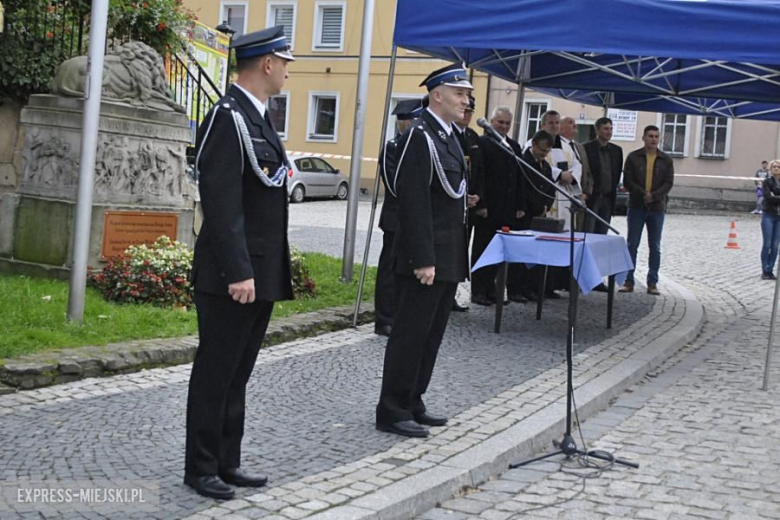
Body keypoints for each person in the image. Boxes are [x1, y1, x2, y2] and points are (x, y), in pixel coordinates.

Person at [184, 26, 295, 500]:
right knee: (216, 371)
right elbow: (222, 203)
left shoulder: (260, 119)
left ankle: (228, 460)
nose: (288, 70)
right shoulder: (227, 118)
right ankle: (201, 466)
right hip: (233, 273)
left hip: (259, 267)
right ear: (267, 63)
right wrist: (239, 271)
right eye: (284, 61)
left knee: (238, 372)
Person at [376, 63, 472, 438]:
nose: (466, 100)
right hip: (426, 257)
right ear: (437, 95)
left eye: (467, 94)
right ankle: (392, 408)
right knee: (410, 335)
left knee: (431, 335)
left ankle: (414, 399)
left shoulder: (449, 136)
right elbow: (412, 201)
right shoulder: (420, 135)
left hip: (447, 252)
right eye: (459, 92)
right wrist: (423, 258)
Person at [374, 99, 424, 337]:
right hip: (396, 219)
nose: (417, 124)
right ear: (403, 122)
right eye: (414, 120)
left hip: (414, 220)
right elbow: (394, 186)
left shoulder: (418, 147)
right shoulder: (392, 147)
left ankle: (402, 314)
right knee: (389, 271)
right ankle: (384, 318)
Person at [471, 107, 526, 305]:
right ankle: (478, 290)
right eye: (500, 122)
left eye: (507, 123)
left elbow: (520, 177)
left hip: (507, 207)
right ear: (492, 122)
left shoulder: (513, 146)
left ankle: (492, 289)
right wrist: (481, 204)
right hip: (489, 207)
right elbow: (479, 176)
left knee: (500, 251)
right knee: (483, 249)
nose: (503, 126)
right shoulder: (482, 143)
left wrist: (520, 204)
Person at [619, 125, 674, 295]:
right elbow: (627, 179)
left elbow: (668, 182)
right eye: (650, 136)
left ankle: (652, 282)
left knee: (655, 246)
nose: (653, 139)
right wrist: (643, 194)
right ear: (643, 138)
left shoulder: (666, 159)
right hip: (637, 205)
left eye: (656, 136)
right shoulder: (634, 157)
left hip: (657, 207)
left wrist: (655, 196)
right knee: (632, 245)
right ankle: (629, 281)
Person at [452, 94, 483, 312]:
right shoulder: (449, 134)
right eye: (465, 110)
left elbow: (480, 172)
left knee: (463, 250)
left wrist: (477, 196)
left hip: (470, 205)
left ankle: (452, 293)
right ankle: (446, 294)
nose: (467, 114)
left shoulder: (473, 137)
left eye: (471, 111)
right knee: (451, 250)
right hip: (454, 204)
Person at [583, 117, 623, 235]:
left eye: (611, 129)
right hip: (592, 197)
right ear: (597, 130)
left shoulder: (617, 150)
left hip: (608, 197)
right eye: (606, 129)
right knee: (588, 231)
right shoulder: (586, 148)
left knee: (602, 233)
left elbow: (617, 172)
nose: (609, 132)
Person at [559, 116, 592, 231]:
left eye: (575, 122)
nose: (575, 125)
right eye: (570, 122)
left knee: (578, 230)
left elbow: (586, 171)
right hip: (564, 195)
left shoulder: (579, 147)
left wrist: (586, 193)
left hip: (580, 198)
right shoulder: (556, 145)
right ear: (561, 128)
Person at [760, 160, 780, 279]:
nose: (776, 168)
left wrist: (775, 196)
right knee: (767, 244)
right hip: (769, 215)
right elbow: (767, 197)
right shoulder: (767, 182)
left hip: (779, 217)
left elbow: (773, 197)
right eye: (774, 167)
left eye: (778, 167)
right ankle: (764, 270)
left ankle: (770, 270)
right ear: (771, 169)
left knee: (775, 245)